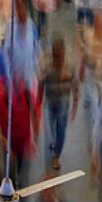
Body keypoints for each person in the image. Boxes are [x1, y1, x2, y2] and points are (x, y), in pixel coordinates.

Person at [41, 37, 76, 170]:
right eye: (54, 54)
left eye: (59, 54)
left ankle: (56, 156)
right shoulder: (47, 63)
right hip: (49, 101)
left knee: (61, 130)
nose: (57, 57)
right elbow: (40, 83)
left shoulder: (70, 64)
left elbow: (75, 84)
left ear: (63, 51)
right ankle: (52, 144)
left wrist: (75, 104)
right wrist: (38, 103)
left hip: (63, 102)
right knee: (49, 131)